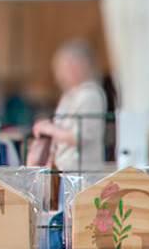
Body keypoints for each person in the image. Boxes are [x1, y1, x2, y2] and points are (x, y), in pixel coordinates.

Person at [31, 40, 107, 171]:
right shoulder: (68, 95)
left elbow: (82, 136)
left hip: (83, 172)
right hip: (64, 169)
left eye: (65, 68)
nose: (60, 74)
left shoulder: (89, 95)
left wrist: (50, 129)